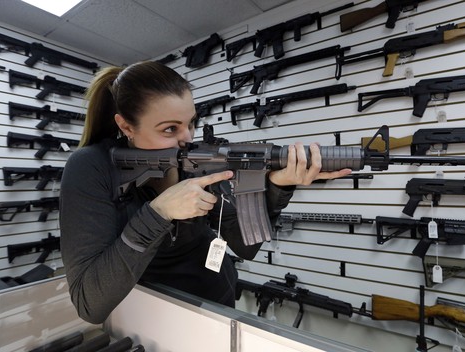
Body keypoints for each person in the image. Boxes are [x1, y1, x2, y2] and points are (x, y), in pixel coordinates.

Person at [59, 61, 351, 324]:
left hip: (215, 301)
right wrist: (159, 213)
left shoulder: (199, 158)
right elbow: (90, 305)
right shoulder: (92, 166)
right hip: (149, 312)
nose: (188, 139)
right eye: (170, 129)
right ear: (126, 126)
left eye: (192, 123)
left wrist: (279, 185)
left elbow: (247, 246)